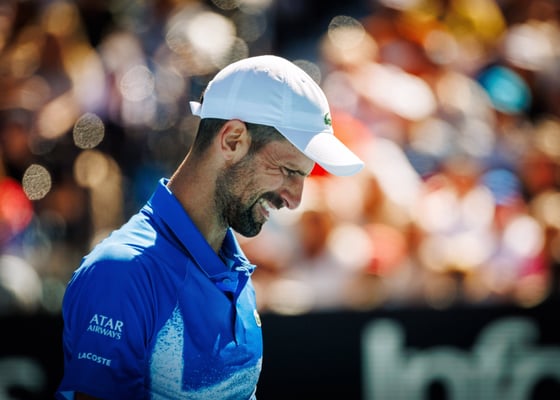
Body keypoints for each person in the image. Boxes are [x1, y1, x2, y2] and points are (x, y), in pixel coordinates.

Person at [55, 55, 364, 400]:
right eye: (288, 170)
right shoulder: (123, 271)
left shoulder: (234, 269)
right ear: (232, 140)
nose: (294, 199)